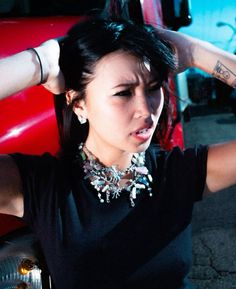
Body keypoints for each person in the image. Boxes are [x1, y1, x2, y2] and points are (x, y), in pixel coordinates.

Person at [0, 3, 236, 289]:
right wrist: (38, 64)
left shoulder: (177, 173)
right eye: (123, 93)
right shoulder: (42, 186)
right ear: (79, 104)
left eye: (153, 88)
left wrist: (194, 52)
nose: (145, 109)